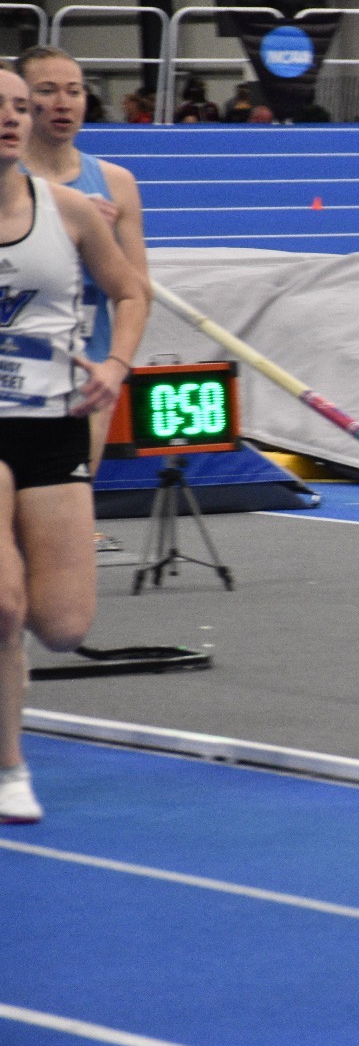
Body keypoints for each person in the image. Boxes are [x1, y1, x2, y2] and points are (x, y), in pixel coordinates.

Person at [0, 66, 150, 823]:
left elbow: (129, 292)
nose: (14, 117)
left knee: (61, 625)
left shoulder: (74, 211)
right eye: (1, 105)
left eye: (20, 107)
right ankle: (9, 767)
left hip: (51, 420)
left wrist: (116, 366)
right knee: (1, 599)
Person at [17, 47, 152, 480]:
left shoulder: (116, 183)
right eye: (47, 90)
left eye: (74, 91)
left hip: (87, 372)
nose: (63, 102)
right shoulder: (6, 180)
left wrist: (116, 367)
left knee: (71, 501)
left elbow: (136, 291)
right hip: (15, 372)